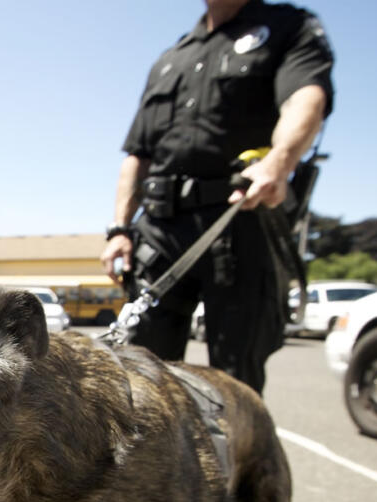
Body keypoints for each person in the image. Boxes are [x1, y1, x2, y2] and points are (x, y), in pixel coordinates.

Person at [100, 0, 334, 394]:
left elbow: (305, 97)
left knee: (236, 381)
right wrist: (120, 228)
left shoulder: (289, 27)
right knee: (141, 375)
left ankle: (235, 457)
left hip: (240, 218)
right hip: (160, 228)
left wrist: (280, 159)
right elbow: (138, 154)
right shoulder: (172, 57)